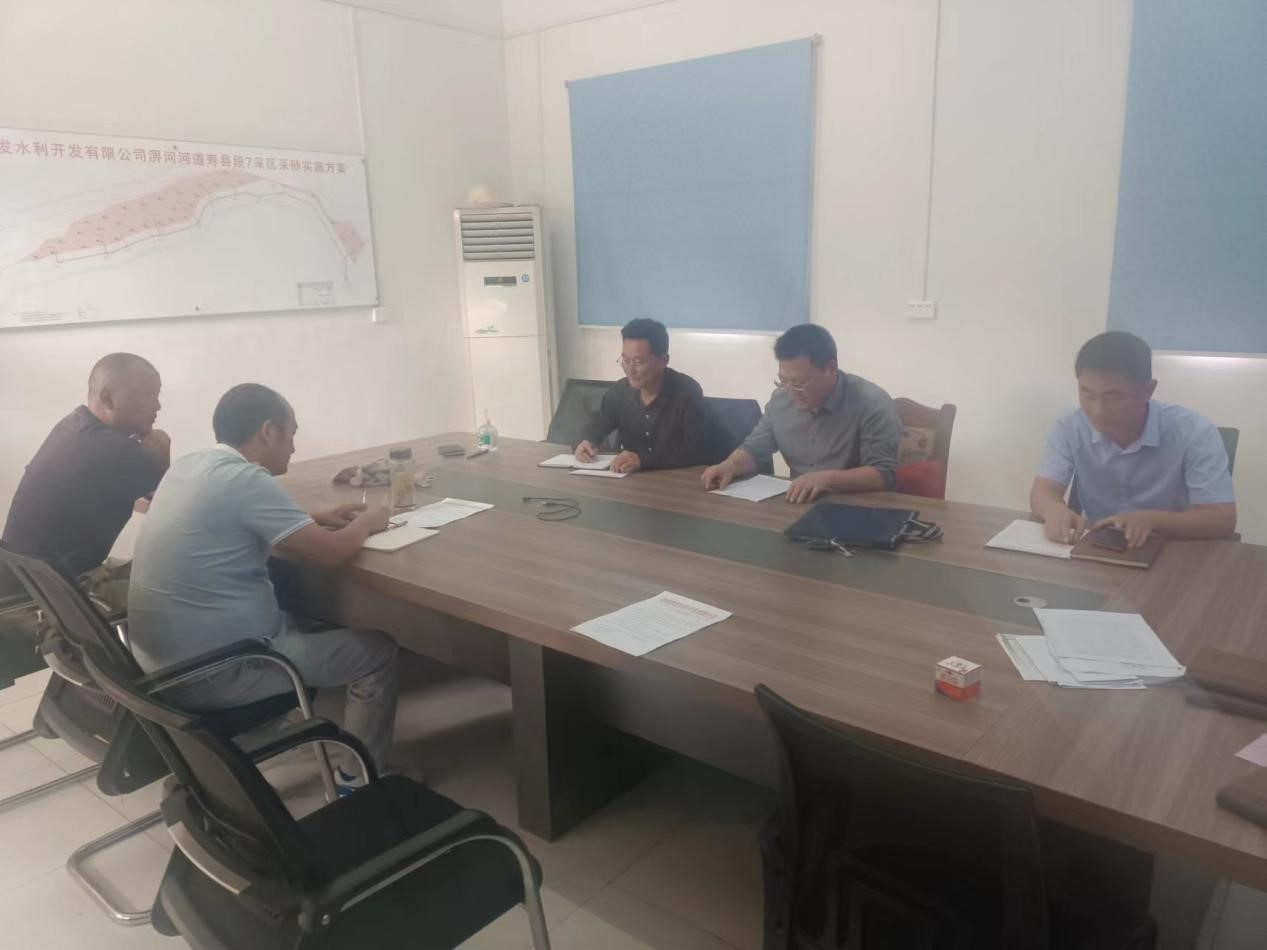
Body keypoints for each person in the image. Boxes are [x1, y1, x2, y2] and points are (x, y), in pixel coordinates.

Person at [127, 383, 398, 779]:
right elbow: (333, 553)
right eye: (291, 434)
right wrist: (370, 521)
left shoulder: (190, 465)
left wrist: (311, 518)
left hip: (160, 664)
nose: (293, 447)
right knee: (378, 653)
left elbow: (232, 513)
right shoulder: (247, 480)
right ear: (269, 431)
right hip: (222, 668)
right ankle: (358, 779)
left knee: (308, 616)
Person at [1030, 331, 1236, 549]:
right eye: (1087, 394)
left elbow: (1222, 519)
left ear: (1148, 390)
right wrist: (1053, 510)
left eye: (1112, 397)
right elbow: (1043, 491)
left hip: (1172, 548)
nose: (1097, 410)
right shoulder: (1070, 425)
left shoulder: (1193, 432)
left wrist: (1150, 520)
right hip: (1098, 545)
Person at [3, 353, 169, 605]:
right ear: (107, 398)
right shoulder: (118, 451)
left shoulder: (72, 425)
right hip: (57, 597)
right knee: (179, 588)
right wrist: (162, 453)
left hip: (22, 578)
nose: (157, 406)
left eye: (157, 394)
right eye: (147, 395)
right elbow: (174, 508)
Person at [701, 324, 901, 504]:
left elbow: (883, 474)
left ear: (831, 368)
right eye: (783, 381)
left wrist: (828, 479)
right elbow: (755, 448)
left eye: (799, 383)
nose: (790, 392)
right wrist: (730, 465)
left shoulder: (871, 402)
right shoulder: (780, 400)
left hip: (857, 506)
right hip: (799, 503)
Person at [575, 318, 722, 473]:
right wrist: (586, 442)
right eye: (625, 360)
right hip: (629, 480)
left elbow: (697, 450)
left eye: (638, 362)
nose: (630, 369)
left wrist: (644, 460)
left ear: (663, 360)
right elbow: (596, 427)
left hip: (674, 481)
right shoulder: (619, 392)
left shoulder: (687, 391)